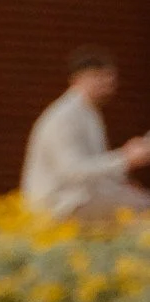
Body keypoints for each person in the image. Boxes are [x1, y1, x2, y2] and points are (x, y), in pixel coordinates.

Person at [21, 45, 150, 220]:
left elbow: (94, 167)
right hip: (59, 205)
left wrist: (122, 181)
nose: (107, 83)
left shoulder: (87, 112)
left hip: (77, 198)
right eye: (99, 76)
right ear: (78, 79)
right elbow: (73, 172)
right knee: (144, 207)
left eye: (110, 77)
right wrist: (125, 158)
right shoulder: (66, 116)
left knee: (140, 199)